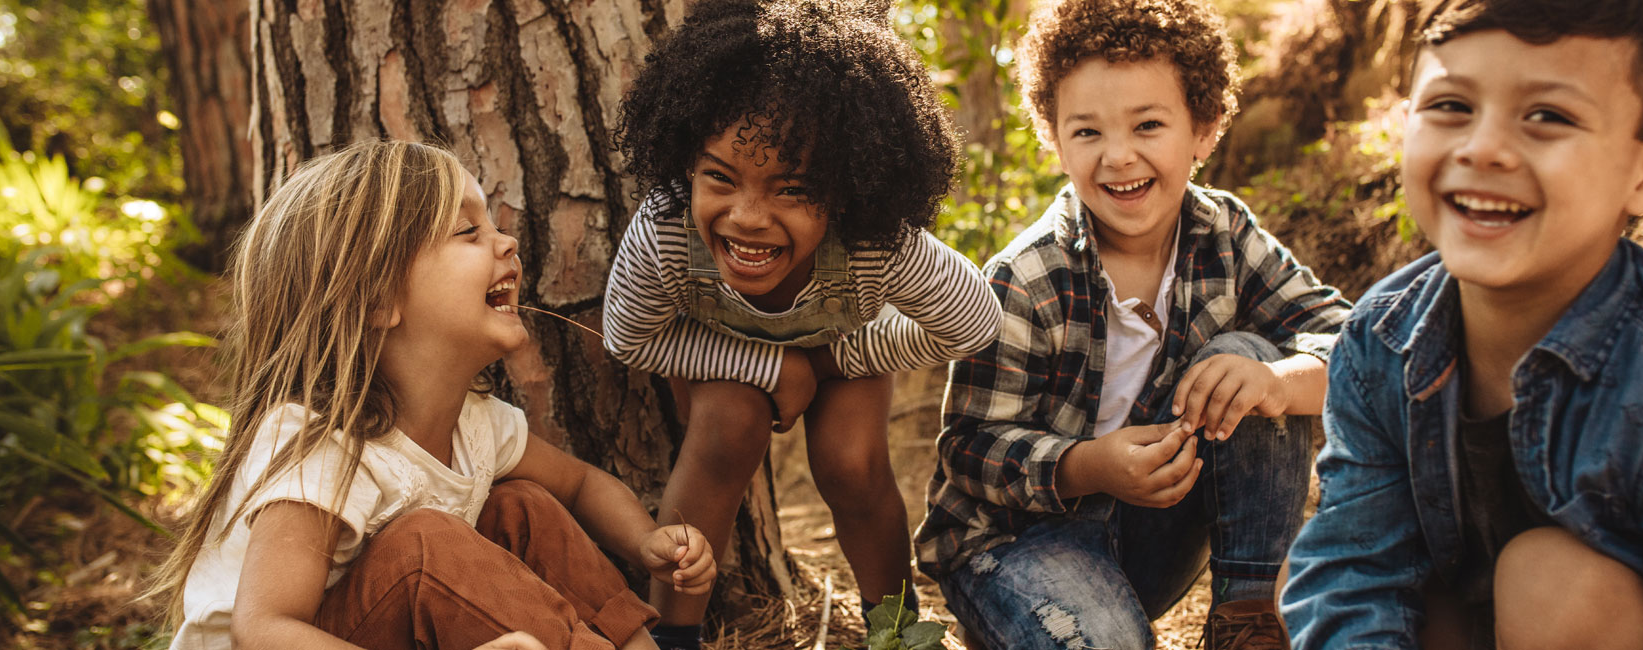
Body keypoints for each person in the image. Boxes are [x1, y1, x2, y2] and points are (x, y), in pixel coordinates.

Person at [1280, 0, 1643, 647]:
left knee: (1550, 583)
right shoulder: (1382, 337)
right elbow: (1354, 568)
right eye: (1452, 107)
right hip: (1502, 612)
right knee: (1321, 576)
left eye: (1547, 116)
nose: (1484, 147)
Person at [146, 141, 715, 650]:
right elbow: (263, 631)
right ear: (376, 299)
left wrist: (646, 541)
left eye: (492, 226)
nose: (508, 242)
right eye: (468, 232)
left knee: (524, 507)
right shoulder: (320, 447)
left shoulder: (477, 425)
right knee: (426, 545)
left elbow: (580, 482)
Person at [914, 1, 1352, 647]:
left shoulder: (1225, 234)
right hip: (1015, 545)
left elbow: (1358, 346)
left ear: (1202, 130)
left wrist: (1280, 380)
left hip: (1153, 538)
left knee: (1247, 359)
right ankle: (1044, 621)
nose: (1118, 156)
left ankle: (1249, 614)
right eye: (1087, 132)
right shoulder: (1025, 277)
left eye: (1148, 124)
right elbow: (970, 448)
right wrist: (1086, 465)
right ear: (1056, 139)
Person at [600, 1, 998, 647]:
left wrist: (837, 359)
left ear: (847, 190)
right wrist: (769, 364)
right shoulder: (666, 230)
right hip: (720, 347)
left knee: (850, 462)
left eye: (792, 189)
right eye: (720, 177)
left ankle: (894, 631)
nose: (748, 216)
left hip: (842, 341)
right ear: (686, 163)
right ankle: (673, 638)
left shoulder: (876, 243)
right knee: (728, 425)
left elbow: (971, 323)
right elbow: (631, 337)